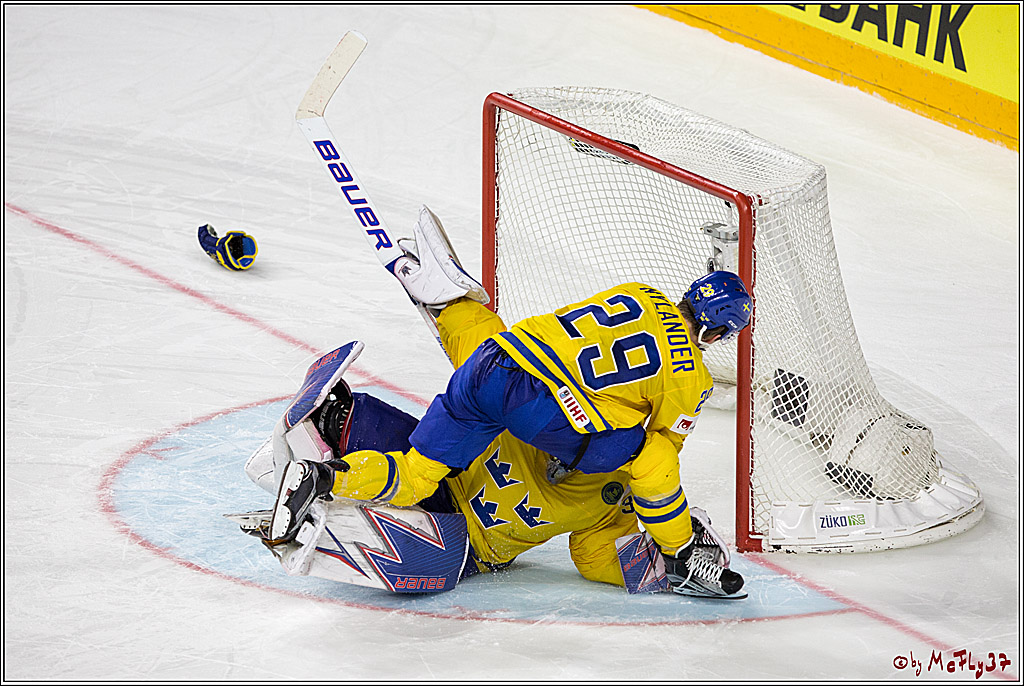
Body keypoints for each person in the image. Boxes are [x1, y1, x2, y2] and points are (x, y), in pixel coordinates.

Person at [266, 206, 751, 597]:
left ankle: (325, 472)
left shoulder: (638, 292)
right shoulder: (689, 377)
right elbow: (653, 466)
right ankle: (682, 557)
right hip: (529, 436)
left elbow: (551, 338)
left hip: (495, 368)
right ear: (719, 330)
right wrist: (672, 540)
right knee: (655, 455)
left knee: (417, 466)